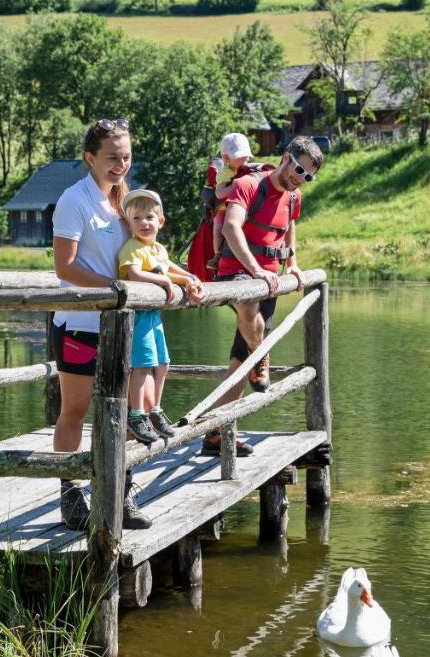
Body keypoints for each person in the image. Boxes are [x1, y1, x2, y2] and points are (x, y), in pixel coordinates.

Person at [49, 118, 151, 532]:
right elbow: (65, 266)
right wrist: (117, 286)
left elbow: (144, 255)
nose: (120, 165)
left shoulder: (124, 199)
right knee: (76, 409)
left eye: (126, 157)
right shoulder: (74, 201)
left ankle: (120, 492)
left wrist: (178, 277)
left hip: (120, 324)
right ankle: (71, 494)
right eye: (112, 158)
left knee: (126, 411)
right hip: (79, 324)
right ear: (90, 158)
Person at [200, 135, 323, 458]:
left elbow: (289, 229)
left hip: (270, 277)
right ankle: (263, 354)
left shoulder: (293, 197)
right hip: (238, 271)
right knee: (248, 305)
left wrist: (292, 264)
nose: (301, 178)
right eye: (299, 169)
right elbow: (231, 228)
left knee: (239, 362)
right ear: (286, 158)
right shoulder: (249, 185)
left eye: (308, 176)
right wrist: (255, 270)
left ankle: (216, 433)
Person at [117, 187, 204, 444]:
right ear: (128, 223)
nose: (144, 223)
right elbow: (134, 274)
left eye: (149, 217)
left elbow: (172, 270)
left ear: (160, 221)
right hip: (139, 318)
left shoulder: (158, 250)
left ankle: (155, 409)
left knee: (163, 362)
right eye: (137, 218)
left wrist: (189, 280)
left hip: (154, 317)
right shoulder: (132, 248)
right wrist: (165, 281)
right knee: (142, 366)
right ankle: (137, 413)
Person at [208, 132, 253, 272]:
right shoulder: (225, 173)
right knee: (218, 226)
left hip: (245, 206)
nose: (244, 161)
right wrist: (237, 184)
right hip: (225, 208)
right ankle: (218, 255)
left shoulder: (250, 169)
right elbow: (219, 192)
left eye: (246, 157)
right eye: (240, 158)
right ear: (227, 158)